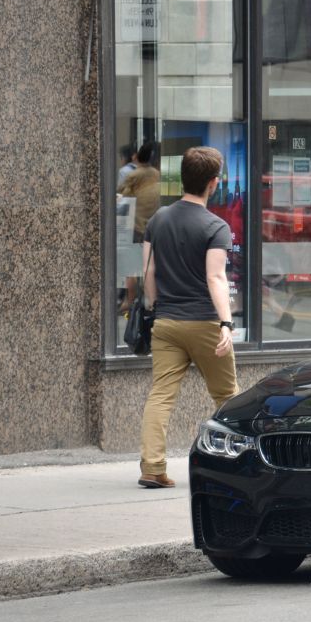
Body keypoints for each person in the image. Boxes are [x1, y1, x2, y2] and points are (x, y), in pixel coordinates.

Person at [138, 146, 238, 488]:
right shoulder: (215, 226)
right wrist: (225, 322)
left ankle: (152, 468)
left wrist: (155, 306)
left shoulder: (158, 219)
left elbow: (147, 273)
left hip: (166, 322)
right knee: (228, 397)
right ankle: (236, 466)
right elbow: (216, 278)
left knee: (161, 395)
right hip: (205, 322)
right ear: (213, 183)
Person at [116, 141, 161, 315]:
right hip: (153, 225)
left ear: (137, 157)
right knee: (151, 264)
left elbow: (121, 194)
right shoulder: (157, 175)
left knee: (131, 267)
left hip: (136, 225)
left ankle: (131, 302)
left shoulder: (133, 175)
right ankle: (151, 301)